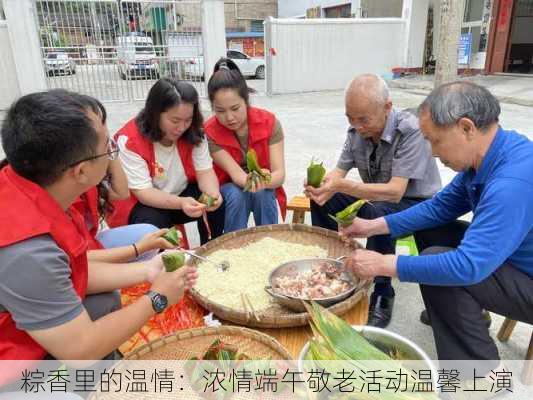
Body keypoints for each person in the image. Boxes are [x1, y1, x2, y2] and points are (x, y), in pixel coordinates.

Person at [0, 90, 197, 388]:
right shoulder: (26, 250)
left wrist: (146, 270)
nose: (112, 151)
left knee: (104, 299)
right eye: (107, 146)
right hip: (10, 363)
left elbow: (71, 269)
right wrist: (157, 298)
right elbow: (81, 350)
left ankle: (102, 380)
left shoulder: (31, 187)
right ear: (80, 171)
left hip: (30, 320)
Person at [341, 82, 533, 374]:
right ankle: (467, 317)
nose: (431, 152)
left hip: (526, 277)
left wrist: (384, 263)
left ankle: (479, 379)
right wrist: (372, 226)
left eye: (435, 141)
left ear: (466, 128)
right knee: (431, 232)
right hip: (511, 255)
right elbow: (439, 207)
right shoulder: (491, 153)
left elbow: (468, 266)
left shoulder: (511, 183)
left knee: (441, 269)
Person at [305, 74, 441, 328]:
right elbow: (339, 172)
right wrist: (322, 185)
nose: (357, 126)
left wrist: (344, 186)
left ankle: (382, 292)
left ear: (387, 107)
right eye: (350, 118)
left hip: (417, 205)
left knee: (377, 212)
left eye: (363, 119)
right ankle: (329, 266)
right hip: (377, 198)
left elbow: (395, 192)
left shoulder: (411, 130)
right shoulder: (356, 132)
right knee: (324, 199)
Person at [109, 78, 224, 245]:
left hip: (181, 195)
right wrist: (181, 203)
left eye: (188, 120)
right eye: (175, 121)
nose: (182, 127)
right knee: (153, 223)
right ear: (155, 114)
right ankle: (166, 266)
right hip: (147, 204)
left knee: (218, 202)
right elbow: (144, 193)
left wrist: (213, 194)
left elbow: (205, 171)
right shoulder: (130, 141)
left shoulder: (195, 133)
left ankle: (211, 247)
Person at [71, 97, 175, 262]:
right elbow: (80, 262)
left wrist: (107, 147)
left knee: (149, 233)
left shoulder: (86, 174)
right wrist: (138, 250)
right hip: (83, 258)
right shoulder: (63, 196)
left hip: (90, 243)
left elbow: (121, 192)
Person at [204, 58, 286, 232]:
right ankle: (235, 248)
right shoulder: (210, 132)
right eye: (220, 111)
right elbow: (236, 175)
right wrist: (254, 180)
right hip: (229, 186)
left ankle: (269, 241)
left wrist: (266, 179)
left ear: (246, 101)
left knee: (262, 193)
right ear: (212, 107)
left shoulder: (269, 123)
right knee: (236, 194)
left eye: (235, 108)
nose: (229, 117)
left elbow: (280, 174)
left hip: (263, 186)